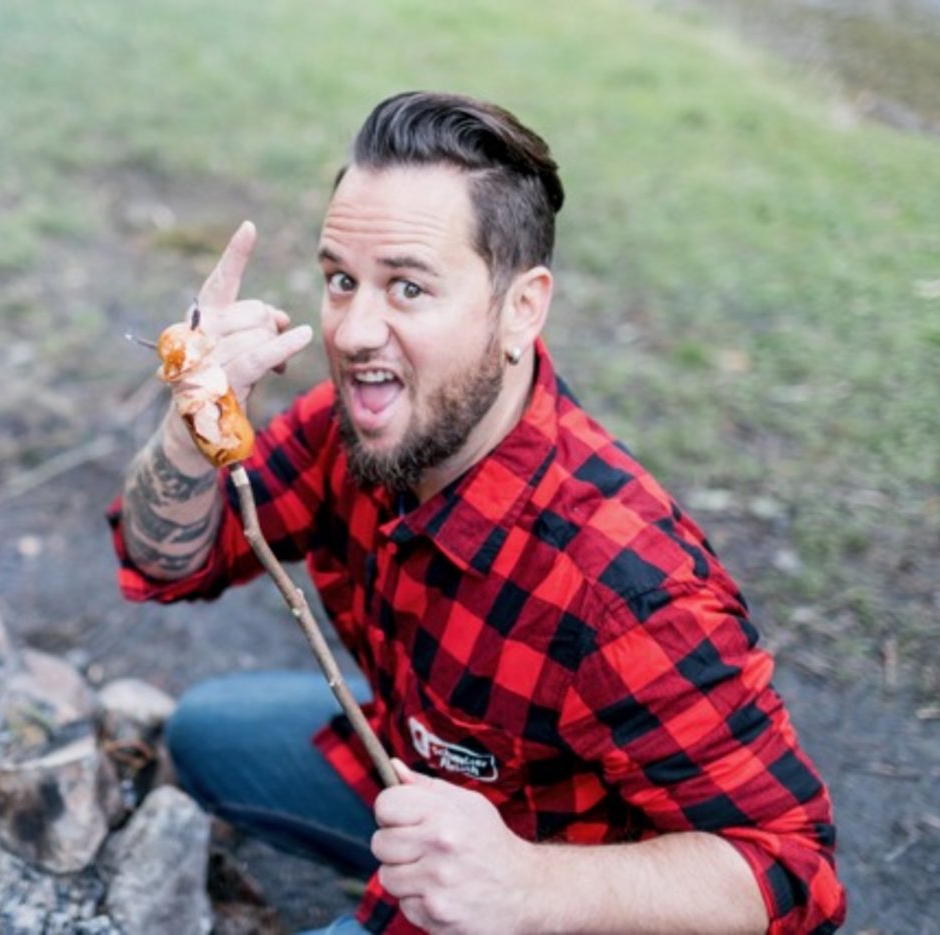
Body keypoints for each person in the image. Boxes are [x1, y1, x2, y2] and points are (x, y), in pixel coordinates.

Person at [110, 91, 845, 934]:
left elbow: (796, 870)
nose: (352, 332)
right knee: (206, 731)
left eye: (408, 287)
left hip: (564, 894)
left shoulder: (626, 588)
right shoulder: (360, 428)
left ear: (521, 308)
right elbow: (166, 561)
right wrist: (195, 420)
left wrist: (529, 886)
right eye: (342, 280)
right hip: (418, 763)